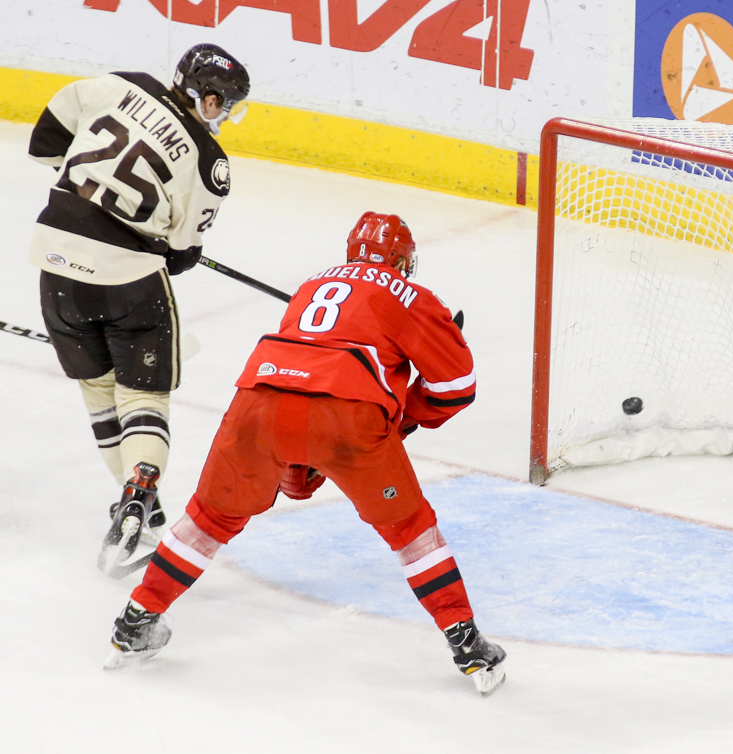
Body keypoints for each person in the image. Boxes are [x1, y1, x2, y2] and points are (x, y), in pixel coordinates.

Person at [103, 211, 507, 696]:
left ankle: (135, 621)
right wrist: (399, 417)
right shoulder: (414, 297)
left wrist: (303, 459)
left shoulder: (311, 285)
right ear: (404, 260)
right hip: (348, 414)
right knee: (409, 530)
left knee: (209, 518)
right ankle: (466, 643)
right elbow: (457, 388)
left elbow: (302, 388)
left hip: (258, 402)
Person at [26, 44, 251, 574]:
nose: (223, 114)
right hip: (127, 278)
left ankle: (143, 515)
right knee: (142, 394)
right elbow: (179, 255)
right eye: (224, 103)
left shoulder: (117, 83)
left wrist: (87, 192)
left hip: (55, 257)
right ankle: (140, 489)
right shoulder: (211, 163)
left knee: (99, 394)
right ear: (207, 96)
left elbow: (46, 143)